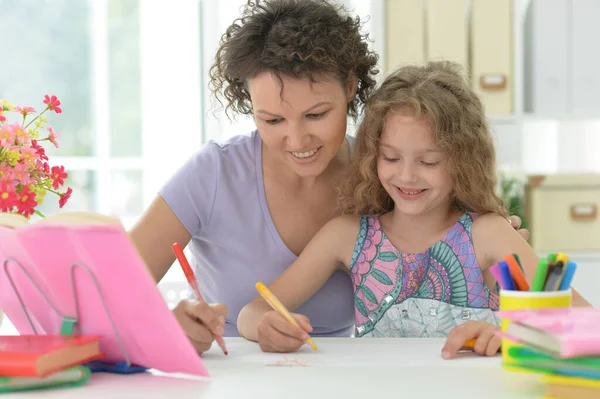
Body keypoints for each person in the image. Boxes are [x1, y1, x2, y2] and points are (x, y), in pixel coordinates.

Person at [129, 0, 528, 355]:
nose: (297, 139)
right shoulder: (213, 174)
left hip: (336, 371)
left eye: (316, 115)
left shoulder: (381, 170)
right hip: (230, 370)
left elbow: (442, 231)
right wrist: (166, 325)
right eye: (272, 119)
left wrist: (493, 242)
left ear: (351, 87)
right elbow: (113, 293)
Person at [237, 61, 592, 358]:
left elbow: (586, 324)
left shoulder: (490, 235)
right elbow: (254, 311)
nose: (406, 175)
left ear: (462, 161)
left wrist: (515, 337)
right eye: (391, 157)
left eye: (429, 160)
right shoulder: (345, 236)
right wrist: (265, 327)